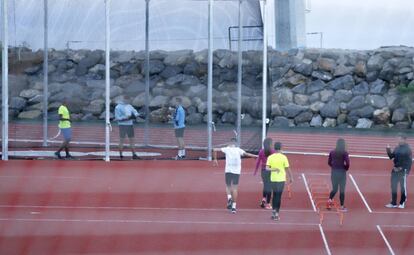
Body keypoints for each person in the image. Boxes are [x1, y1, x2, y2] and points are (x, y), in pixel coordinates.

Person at [213, 138, 257, 214]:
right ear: (236, 143)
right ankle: (234, 207)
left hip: (228, 171)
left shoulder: (226, 149)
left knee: (228, 186)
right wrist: (255, 156)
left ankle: (229, 198)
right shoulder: (238, 150)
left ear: (230, 142)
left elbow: (214, 149)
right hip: (236, 172)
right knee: (235, 188)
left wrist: (215, 159)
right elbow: (247, 154)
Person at [266, 142, 293, 221]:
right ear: (281, 148)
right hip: (281, 179)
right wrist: (291, 177)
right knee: (278, 196)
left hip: (273, 179)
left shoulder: (270, 157)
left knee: (274, 196)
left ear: (274, 148)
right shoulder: (284, 157)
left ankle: (273, 211)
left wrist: (274, 169)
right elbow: (287, 168)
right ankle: (277, 213)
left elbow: (267, 168)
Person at [385, 133, 412, 209]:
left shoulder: (407, 149)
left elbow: (408, 162)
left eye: (400, 139)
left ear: (404, 139)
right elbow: (391, 157)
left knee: (402, 187)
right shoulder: (397, 148)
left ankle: (402, 203)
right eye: (397, 139)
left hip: (403, 170)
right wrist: (388, 149)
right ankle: (393, 203)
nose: (398, 140)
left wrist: (402, 168)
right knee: (393, 186)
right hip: (395, 170)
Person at [327, 138, 350, 212]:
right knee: (342, 190)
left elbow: (329, 162)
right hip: (342, 174)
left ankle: (329, 201)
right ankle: (342, 206)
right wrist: (345, 168)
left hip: (334, 173)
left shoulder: (332, 152)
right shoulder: (345, 153)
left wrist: (333, 167)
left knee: (334, 189)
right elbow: (348, 163)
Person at [114, 96, 140, 160]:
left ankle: (134, 154)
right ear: (124, 99)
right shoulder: (118, 107)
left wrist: (134, 116)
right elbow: (117, 118)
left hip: (130, 125)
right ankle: (121, 155)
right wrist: (125, 118)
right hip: (122, 125)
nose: (128, 101)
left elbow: (136, 113)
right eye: (127, 100)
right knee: (121, 140)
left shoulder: (129, 106)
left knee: (132, 139)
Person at [254, 137, 274, 209]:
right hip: (270, 170)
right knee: (269, 187)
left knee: (265, 186)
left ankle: (263, 199)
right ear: (270, 144)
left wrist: (255, 171)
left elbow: (258, 162)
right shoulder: (273, 152)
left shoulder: (261, 151)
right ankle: (268, 204)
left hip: (263, 171)